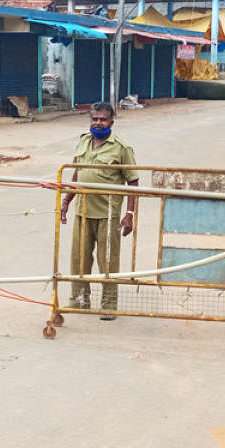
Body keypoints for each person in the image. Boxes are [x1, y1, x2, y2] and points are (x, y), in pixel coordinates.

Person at [59, 102, 139, 320]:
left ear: (112, 122)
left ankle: (108, 305)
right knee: (79, 259)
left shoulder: (122, 148)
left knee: (108, 262)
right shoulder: (83, 141)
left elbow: (133, 182)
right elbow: (78, 174)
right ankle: (79, 300)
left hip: (108, 214)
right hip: (82, 210)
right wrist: (67, 200)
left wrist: (129, 215)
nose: (98, 123)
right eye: (95, 119)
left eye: (103, 119)